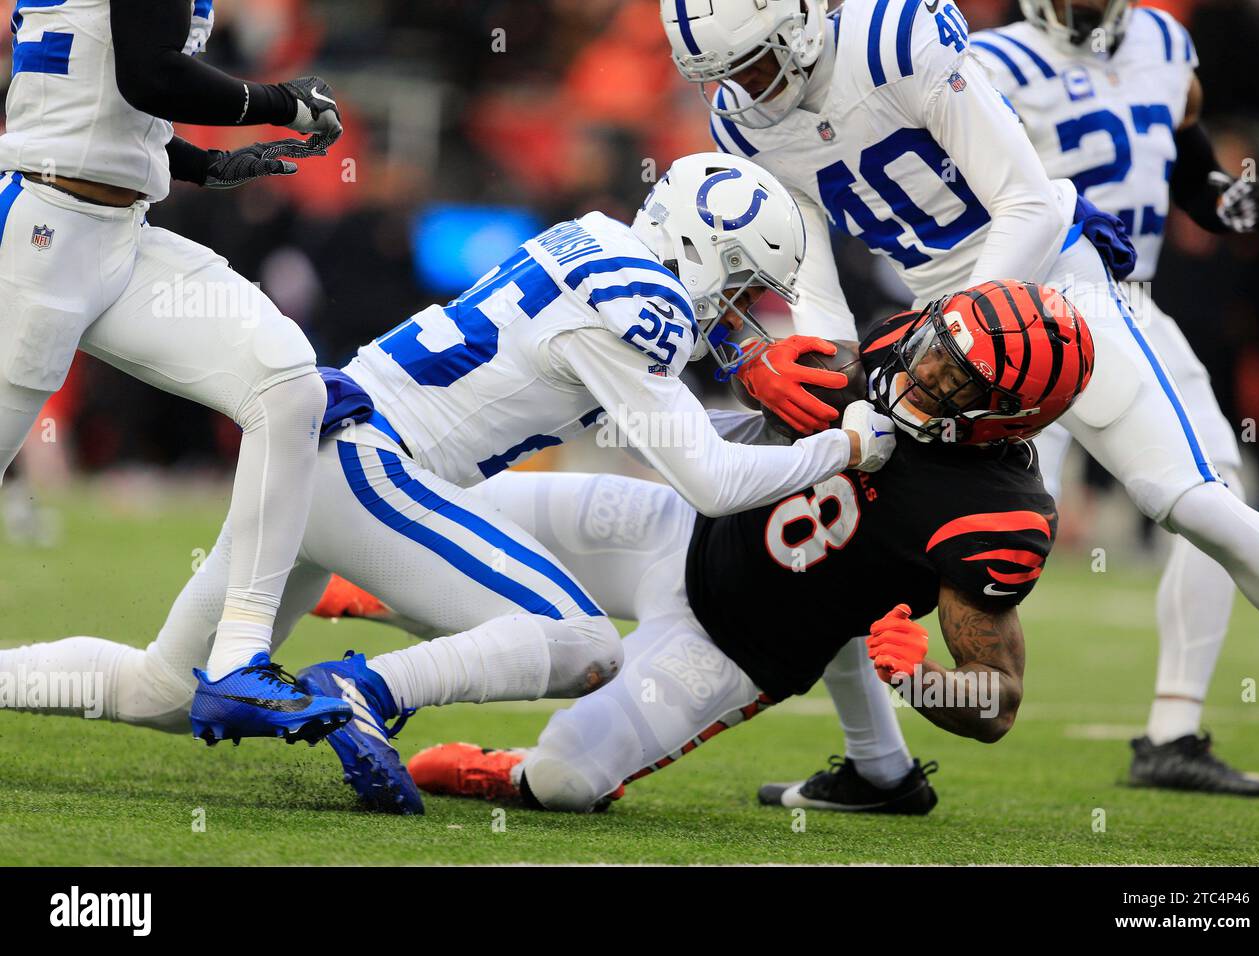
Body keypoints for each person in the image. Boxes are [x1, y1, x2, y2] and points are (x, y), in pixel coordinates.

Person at [0, 153, 885, 815]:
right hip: (367, 463)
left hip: (322, 454)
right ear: (697, 248)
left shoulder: (598, 246)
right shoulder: (637, 304)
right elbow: (715, 481)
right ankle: (362, 694)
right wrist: (847, 447)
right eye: (732, 280)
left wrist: (737, 373)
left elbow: (665, 417)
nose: (729, 306)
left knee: (164, 688)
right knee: (581, 640)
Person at [659, 0, 1259, 805]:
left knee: (1188, 500)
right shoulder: (742, 115)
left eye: (751, 64)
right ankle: (876, 766)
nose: (743, 90)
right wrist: (844, 391)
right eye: (723, 76)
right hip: (937, 342)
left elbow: (1028, 203)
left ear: (799, 25)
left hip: (1045, 296)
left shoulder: (895, 37)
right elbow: (810, 270)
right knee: (840, 506)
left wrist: (961, 333)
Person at [406, 280, 1094, 813]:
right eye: (937, 347)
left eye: (956, 383)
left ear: (1009, 417)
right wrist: (756, 361)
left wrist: (923, 680)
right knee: (436, 510)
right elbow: (727, 318)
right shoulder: (894, 347)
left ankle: (504, 766)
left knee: (560, 780)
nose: (925, 374)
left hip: (735, 642)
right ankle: (350, 615)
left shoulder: (994, 516)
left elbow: (999, 704)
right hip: (677, 522)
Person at [0, 0, 351, 743]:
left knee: (286, 382)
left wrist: (201, 164)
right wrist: (279, 102)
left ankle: (237, 661)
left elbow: (100, 102)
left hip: (116, 234)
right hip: (38, 236)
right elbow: (149, 75)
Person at [967, 0, 1259, 795]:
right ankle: (873, 747)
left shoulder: (1165, 42)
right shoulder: (989, 59)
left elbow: (1181, 149)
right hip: (1023, 311)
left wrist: (1218, 196)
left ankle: (1173, 730)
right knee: (964, 525)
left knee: (1215, 488)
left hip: (1129, 305)